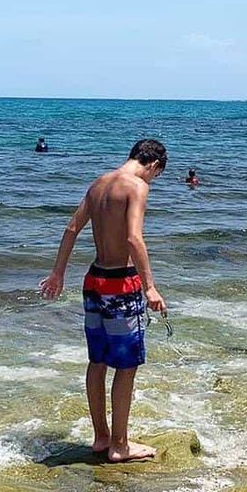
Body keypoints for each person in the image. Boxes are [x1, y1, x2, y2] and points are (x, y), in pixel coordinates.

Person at [40, 138, 168, 463]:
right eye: (156, 175)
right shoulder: (136, 186)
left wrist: (57, 274)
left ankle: (100, 437)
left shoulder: (98, 184)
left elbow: (71, 229)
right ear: (153, 165)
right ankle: (120, 445)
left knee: (97, 362)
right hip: (120, 285)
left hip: (93, 281)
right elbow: (133, 238)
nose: (152, 181)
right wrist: (150, 287)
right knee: (126, 367)